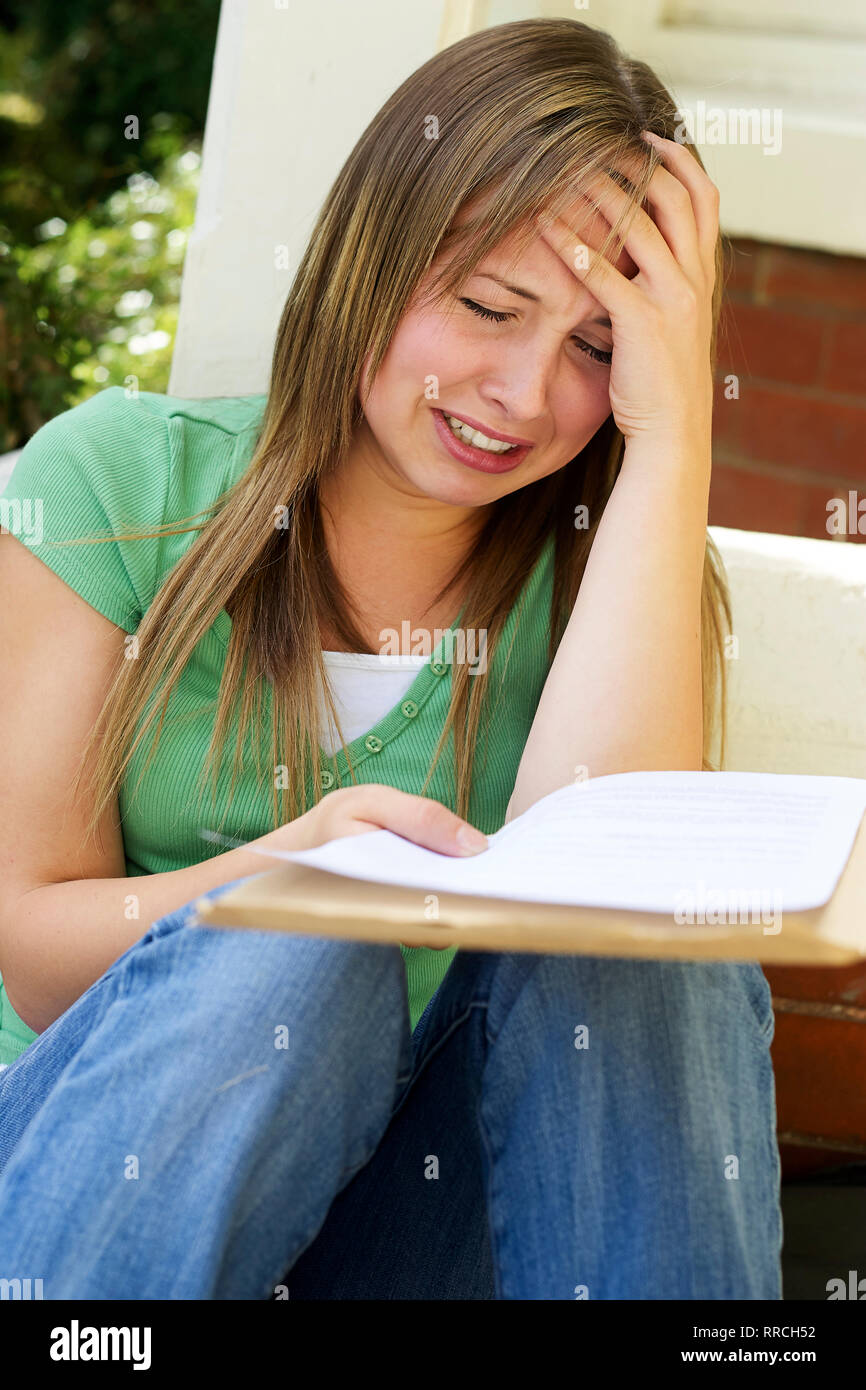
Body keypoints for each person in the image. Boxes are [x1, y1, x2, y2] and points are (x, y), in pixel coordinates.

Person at [0, 17, 781, 1299]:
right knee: (311, 939)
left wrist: (672, 434)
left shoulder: (610, 573)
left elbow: (619, 949)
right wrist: (289, 872)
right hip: (82, 1190)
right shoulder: (122, 479)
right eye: (486, 305)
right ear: (373, 254)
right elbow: (31, 947)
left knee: (641, 937)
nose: (522, 394)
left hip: (386, 1242)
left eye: (596, 347)